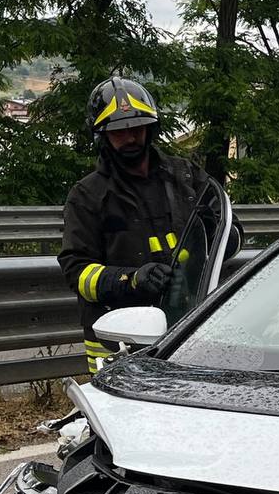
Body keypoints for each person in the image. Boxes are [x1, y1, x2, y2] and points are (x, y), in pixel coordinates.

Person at [59, 76, 213, 373]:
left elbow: (228, 233)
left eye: (136, 128)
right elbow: (77, 272)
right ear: (103, 137)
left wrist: (208, 247)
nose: (130, 138)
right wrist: (130, 280)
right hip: (119, 343)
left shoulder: (186, 177)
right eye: (119, 132)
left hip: (187, 329)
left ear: (150, 129)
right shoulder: (88, 195)